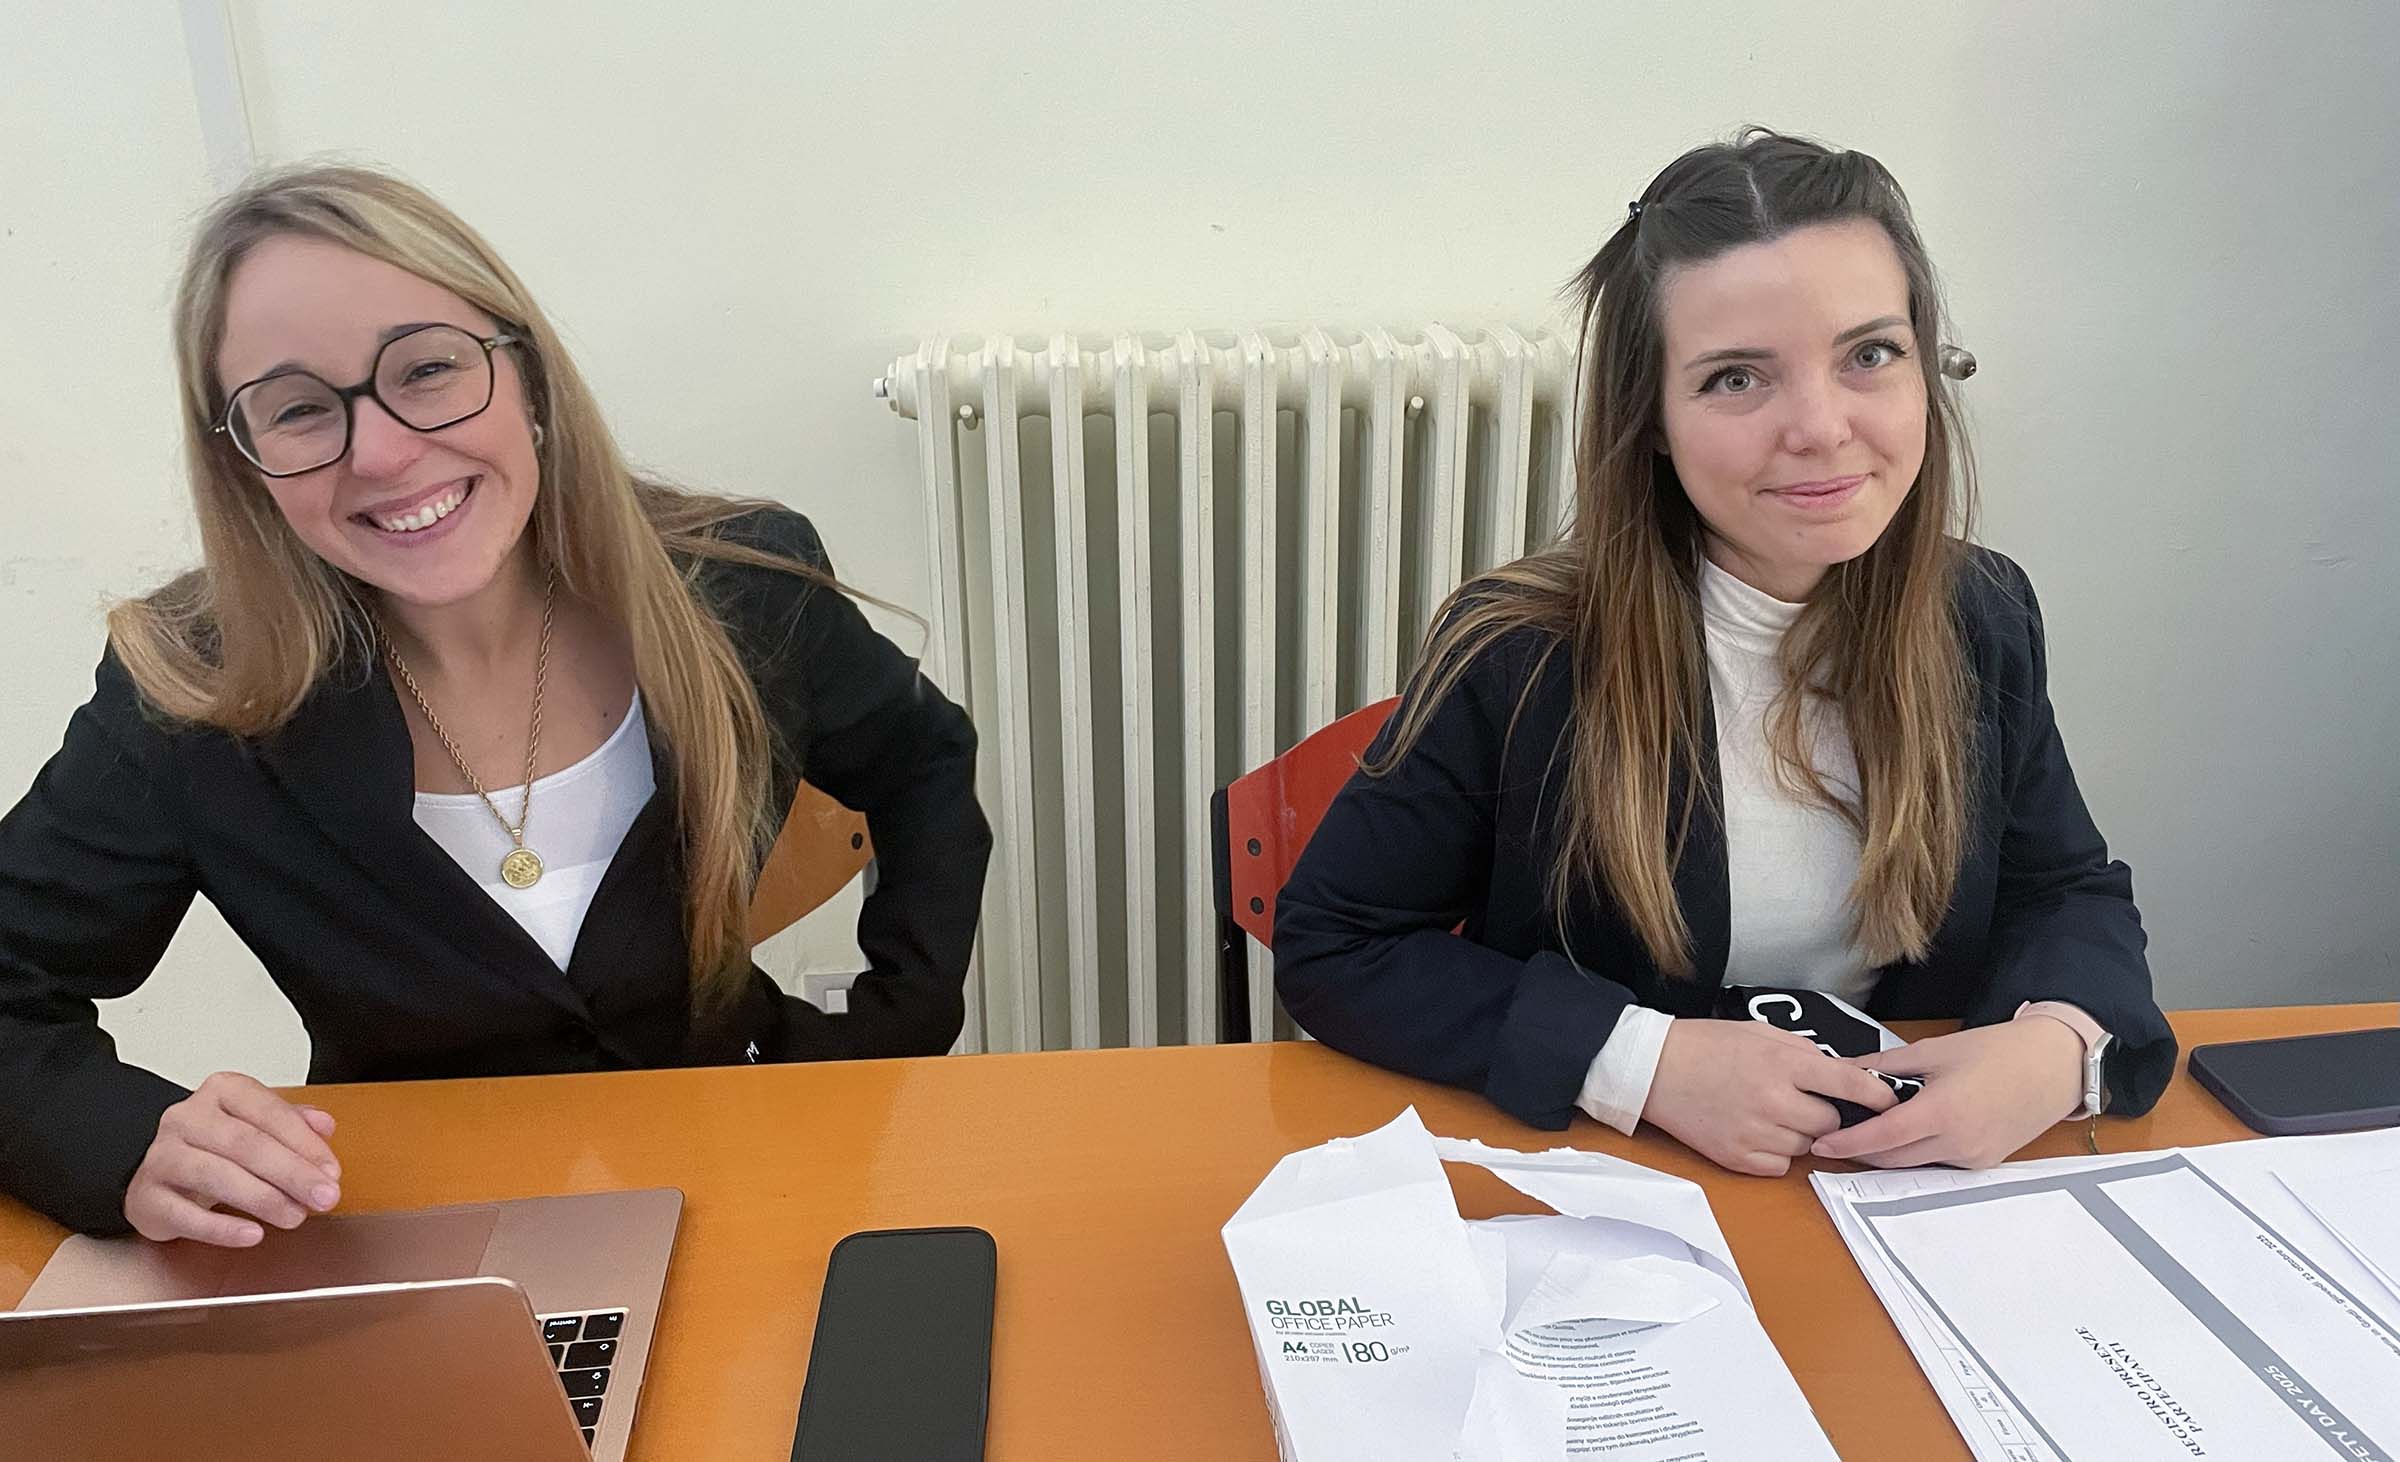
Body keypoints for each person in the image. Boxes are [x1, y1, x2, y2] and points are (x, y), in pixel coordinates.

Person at [0, 165, 990, 1243]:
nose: (380, 451)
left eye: (425, 369)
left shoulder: (739, 585)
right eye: (295, 410)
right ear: (243, 464)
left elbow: (923, 764)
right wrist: (120, 1139)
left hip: (754, 1179)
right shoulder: (189, 694)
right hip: (409, 1234)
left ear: (527, 374)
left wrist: (897, 1026)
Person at [1275, 130, 2174, 1178]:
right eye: (1738, 378)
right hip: (1631, 1188)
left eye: (1870, 353)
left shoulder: (1982, 614)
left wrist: (2057, 1046)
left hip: (1891, 1190)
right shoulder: (1518, 653)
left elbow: (2065, 888)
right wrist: (1642, 1060)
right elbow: (1340, 944)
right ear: (1650, 418)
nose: (1823, 428)